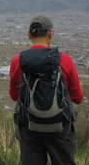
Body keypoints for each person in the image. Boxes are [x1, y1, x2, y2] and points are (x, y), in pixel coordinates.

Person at [9, 15, 84, 165]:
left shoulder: (18, 61)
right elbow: (77, 97)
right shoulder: (65, 61)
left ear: (29, 34)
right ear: (51, 34)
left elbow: (14, 95)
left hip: (29, 125)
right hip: (59, 126)